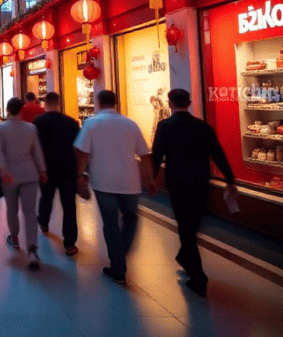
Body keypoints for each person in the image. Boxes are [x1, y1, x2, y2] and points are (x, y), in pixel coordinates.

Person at [151, 89, 238, 297]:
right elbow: (217, 153)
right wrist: (230, 179)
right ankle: (189, 262)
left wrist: (151, 179)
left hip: (177, 183)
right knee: (192, 225)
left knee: (185, 228)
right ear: (189, 102)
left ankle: (198, 278)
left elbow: (156, 155)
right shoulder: (203, 127)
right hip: (200, 182)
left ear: (170, 103)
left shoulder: (165, 126)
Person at [74, 90, 156, 284]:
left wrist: (80, 175)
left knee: (110, 224)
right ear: (116, 103)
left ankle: (118, 265)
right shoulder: (130, 124)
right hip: (130, 182)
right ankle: (122, 253)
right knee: (131, 218)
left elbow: (82, 153)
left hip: (103, 182)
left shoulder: (92, 123)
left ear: (98, 102)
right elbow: (145, 155)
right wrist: (150, 179)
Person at [0, 97, 47, 269]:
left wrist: (3, 170)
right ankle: (32, 249)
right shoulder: (31, 128)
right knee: (30, 212)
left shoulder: (0, 128)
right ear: (21, 110)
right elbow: (37, 151)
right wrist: (43, 171)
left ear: (7, 110)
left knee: (12, 209)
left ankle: (14, 238)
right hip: (30, 174)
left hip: (10, 176)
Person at [33, 92, 80, 256]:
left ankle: (44, 222)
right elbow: (78, 148)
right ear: (60, 103)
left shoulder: (38, 122)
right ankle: (69, 244)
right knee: (69, 205)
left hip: (46, 168)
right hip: (68, 169)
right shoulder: (71, 123)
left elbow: (34, 147)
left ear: (45, 103)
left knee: (46, 197)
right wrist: (81, 172)